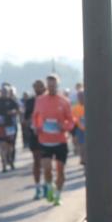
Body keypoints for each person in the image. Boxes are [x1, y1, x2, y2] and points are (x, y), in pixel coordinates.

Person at [32, 73, 74, 205]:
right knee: (47, 168)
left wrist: (64, 126)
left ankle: (58, 195)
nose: (51, 87)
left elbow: (71, 121)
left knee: (60, 170)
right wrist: (37, 127)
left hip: (60, 140)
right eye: (49, 85)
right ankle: (49, 187)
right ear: (46, 86)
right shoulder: (40, 100)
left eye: (53, 85)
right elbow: (36, 117)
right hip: (45, 140)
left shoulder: (64, 101)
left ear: (57, 85)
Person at [22, 80, 46, 199]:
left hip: (48, 135)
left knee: (47, 161)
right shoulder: (30, 102)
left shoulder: (49, 99)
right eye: (36, 87)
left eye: (40, 87)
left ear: (44, 87)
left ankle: (47, 184)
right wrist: (30, 122)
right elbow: (25, 119)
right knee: (36, 160)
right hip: (35, 135)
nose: (38, 89)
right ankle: (37, 187)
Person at [0, 83, 21, 172]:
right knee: (2, 145)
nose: (4, 93)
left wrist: (13, 112)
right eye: (3, 91)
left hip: (10, 126)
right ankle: (3, 164)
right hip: (1, 126)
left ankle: (10, 159)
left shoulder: (12, 101)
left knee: (10, 146)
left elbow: (19, 110)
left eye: (6, 91)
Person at [71, 87, 87, 165]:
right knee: (82, 145)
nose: (81, 98)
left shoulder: (90, 106)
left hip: (89, 131)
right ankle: (82, 158)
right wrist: (73, 135)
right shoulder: (75, 108)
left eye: (82, 96)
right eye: (79, 96)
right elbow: (73, 122)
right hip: (80, 130)